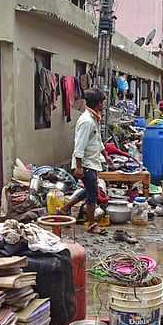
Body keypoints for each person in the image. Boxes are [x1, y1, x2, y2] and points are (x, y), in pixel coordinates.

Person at [60, 88, 114, 234]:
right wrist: (78, 167)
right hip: (85, 163)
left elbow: (97, 141)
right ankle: (91, 224)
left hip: (92, 161)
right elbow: (79, 146)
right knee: (93, 193)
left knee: (90, 189)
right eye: (102, 102)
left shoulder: (93, 118)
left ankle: (64, 209)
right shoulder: (86, 121)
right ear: (98, 103)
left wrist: (106, 155)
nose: (103, 105)